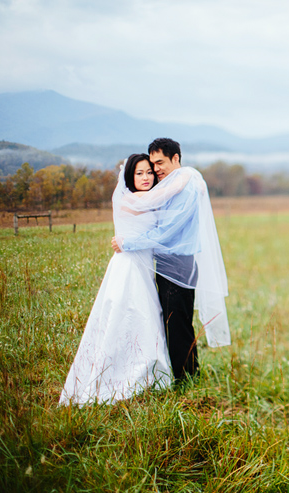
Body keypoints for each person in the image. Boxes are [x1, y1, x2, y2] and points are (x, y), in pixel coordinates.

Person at [111, 138, 231, 384]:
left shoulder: (185, 186)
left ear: (176, 158)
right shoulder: (179, 182)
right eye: (152, 164)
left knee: (177, 326)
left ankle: (186, 378)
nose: (156, 170)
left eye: (160, 162)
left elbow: (166, 232)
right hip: (170, 264)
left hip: (178, 265)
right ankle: (182, 373)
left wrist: (128, 243)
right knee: (174, 322)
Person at [59, 154, 172, 405]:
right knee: (129, 315)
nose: (146, 178)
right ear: (129, 177)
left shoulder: (149, 201)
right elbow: (165, 193)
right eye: (139, 173)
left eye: (149, 172)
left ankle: (150, 369)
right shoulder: (130, 199)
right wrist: (186, 176)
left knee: (147, 317)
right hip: (128, 268)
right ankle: (119, 372)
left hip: (143, 269)